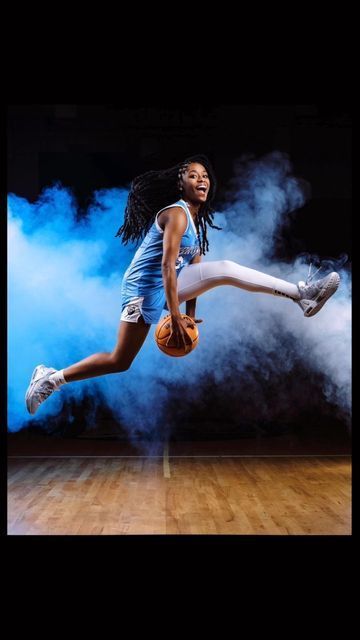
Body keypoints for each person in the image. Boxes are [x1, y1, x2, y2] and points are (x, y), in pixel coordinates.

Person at [25, 154, 340, 415]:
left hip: (165, 285)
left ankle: (301, 295)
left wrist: (188, 313)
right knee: (119, 360)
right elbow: (166, 266)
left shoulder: (195, 220)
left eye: (205, 176)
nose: (202, 179)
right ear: (181, 183)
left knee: (226, 269)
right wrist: (174, 315)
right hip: (143, 288)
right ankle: (51, 378)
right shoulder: (176, 214)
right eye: (193, 175)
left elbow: (197, 269)